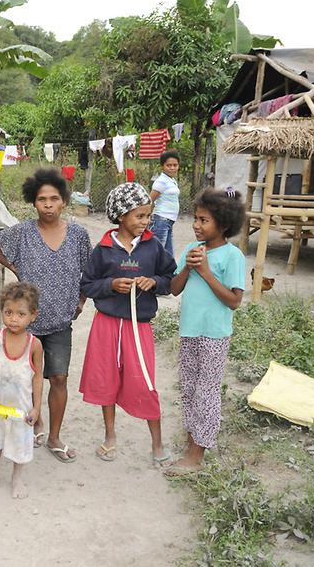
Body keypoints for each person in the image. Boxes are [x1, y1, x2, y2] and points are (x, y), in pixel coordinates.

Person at [0, 169, 91, 463]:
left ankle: (54, 437)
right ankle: (31, 422)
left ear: (64, 201)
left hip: (59, 322)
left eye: (54, 198)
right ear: (34, 203)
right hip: (24, 325)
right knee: (25, 380)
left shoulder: (78, 234)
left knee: (58, 377)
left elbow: (89, 270)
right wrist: (14, 267)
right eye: (42, 199)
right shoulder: (22, 232)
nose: (48, 204)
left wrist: (81, 299)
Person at [79, 182, 176, 467]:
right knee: (106, 380)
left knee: (144, 382)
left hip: (138, 327)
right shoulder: (104, 249)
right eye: (140, 216)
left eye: (148, 216)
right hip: (106, 325)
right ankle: (110, 436)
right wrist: (110, 285)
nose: (146, 222)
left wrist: (154, 282)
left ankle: (157, 444)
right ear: (121, 216)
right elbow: (87, 284)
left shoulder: (152, 246)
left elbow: (170, 279)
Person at [166, 189, 246, 477]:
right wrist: (188, 267)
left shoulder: (232, 255)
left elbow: (234, 301)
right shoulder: (191, 250)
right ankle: (191, 445)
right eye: (196, 219)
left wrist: (208, 272)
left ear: (223, 224)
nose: (196, 225)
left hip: (214, 335)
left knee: (206, 392)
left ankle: (197, 455)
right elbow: (174, 289)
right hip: (189, 331)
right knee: (188, 388)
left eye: (204, 220)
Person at [0, 282, 44, 499]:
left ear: (33, 315)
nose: (13, 318)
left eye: (21, 314)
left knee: (19, 445)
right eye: (8, 312)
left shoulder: (35, 345)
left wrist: (37, 408)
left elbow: (38, 377)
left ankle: (17, 479)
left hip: (20, 409)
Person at [148, 151, 180, 257]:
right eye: (168, 165)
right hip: (161, 220)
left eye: (175, 165)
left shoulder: (171, 180)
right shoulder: (161, 181)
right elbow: (150, 200)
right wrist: (147, 217)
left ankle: (168, 273)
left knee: (168, 254)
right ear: (162, 166)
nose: (172, 168)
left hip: (168, 221)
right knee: (157, 252)